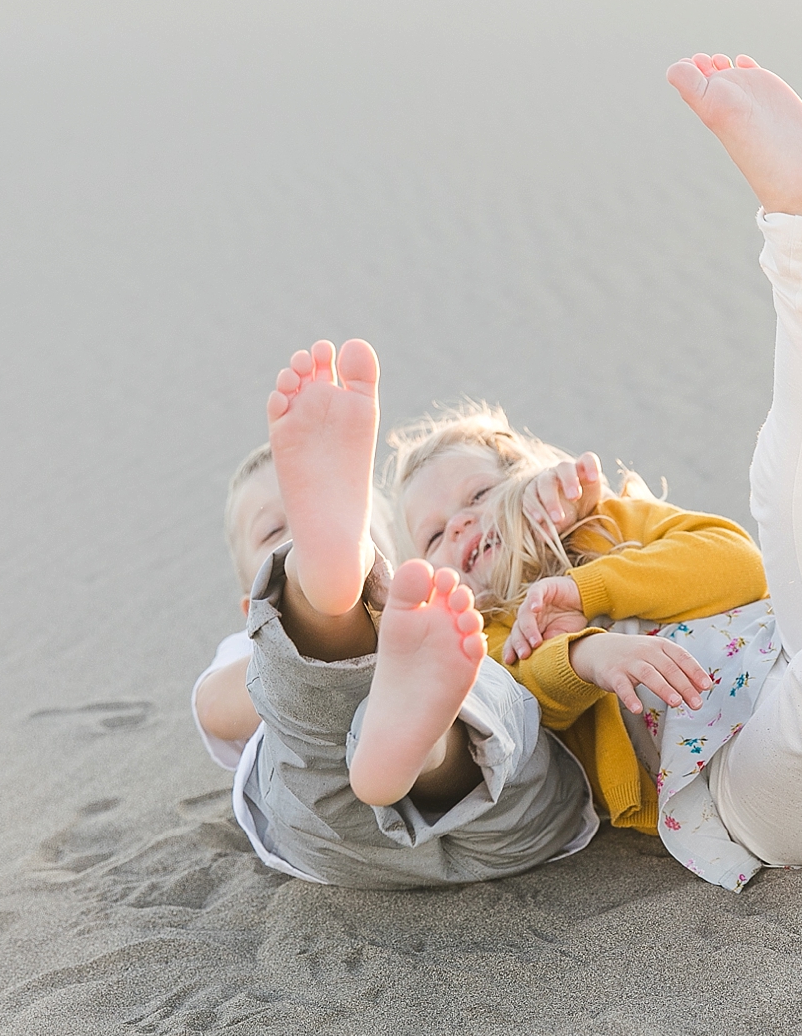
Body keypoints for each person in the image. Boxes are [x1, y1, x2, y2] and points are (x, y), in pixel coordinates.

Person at [392, 52, 802, 889]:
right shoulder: (479, 628)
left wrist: (593, 585)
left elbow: (737, 565)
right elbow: (524, 705)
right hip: (762, 792)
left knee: (795, 480)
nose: (461, 524)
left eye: (479, 492)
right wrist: (591, 654)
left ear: (531, 478)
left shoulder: (610, 525)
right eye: (432, 530)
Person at [188, 378, 596, 889]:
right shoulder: (244, 648)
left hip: (409, 829)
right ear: (253, 607)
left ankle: (423, 745)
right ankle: (334, 620)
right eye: (277, 534)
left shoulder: (445, 617)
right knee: (308, 703)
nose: (296, 531)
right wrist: (311, 637)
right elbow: (213, 707)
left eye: (326, 523)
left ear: (404, 560)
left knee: (479, 687)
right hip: (490, 824)